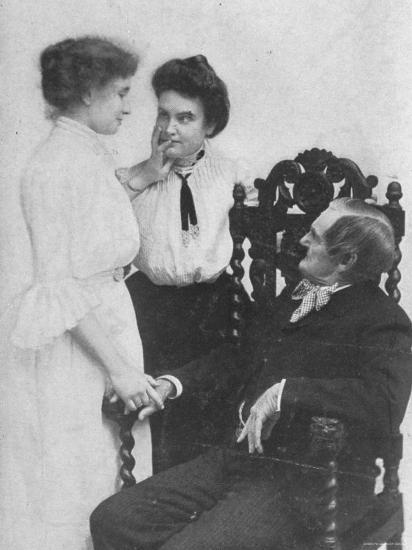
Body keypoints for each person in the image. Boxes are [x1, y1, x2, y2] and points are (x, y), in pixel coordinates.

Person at [90, 198, 412, 550]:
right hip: (240, 458)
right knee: (114, 519)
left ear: (346, 259)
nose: (302, 240)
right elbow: (240, 356)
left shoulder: (384, 320)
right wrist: (173, 384)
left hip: (312, 484)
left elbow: (387, 402)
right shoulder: (295, 295)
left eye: (314, 236)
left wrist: (284, 393)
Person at [0, 36, 163, 550]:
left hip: (107, 324)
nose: (128, 107)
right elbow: (58, 287)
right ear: (88, 92)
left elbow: (96, 231)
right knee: (80, 483)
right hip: (78, 347)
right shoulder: (52, 165)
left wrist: (143, 176)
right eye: (120, 93)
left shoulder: (85, 152)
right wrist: (119, 368)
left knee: (112, 476)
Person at [116, 55, 257, 471]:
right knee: (148, 420)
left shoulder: (232, 176)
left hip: (212, 309)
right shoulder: (130, 178)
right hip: (148, 307)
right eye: (163, 114)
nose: (169, 128)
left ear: (209, 125)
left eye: (185, 118)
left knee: (205, 420)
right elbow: (95, 227)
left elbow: (264, 232)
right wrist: (147, 174)